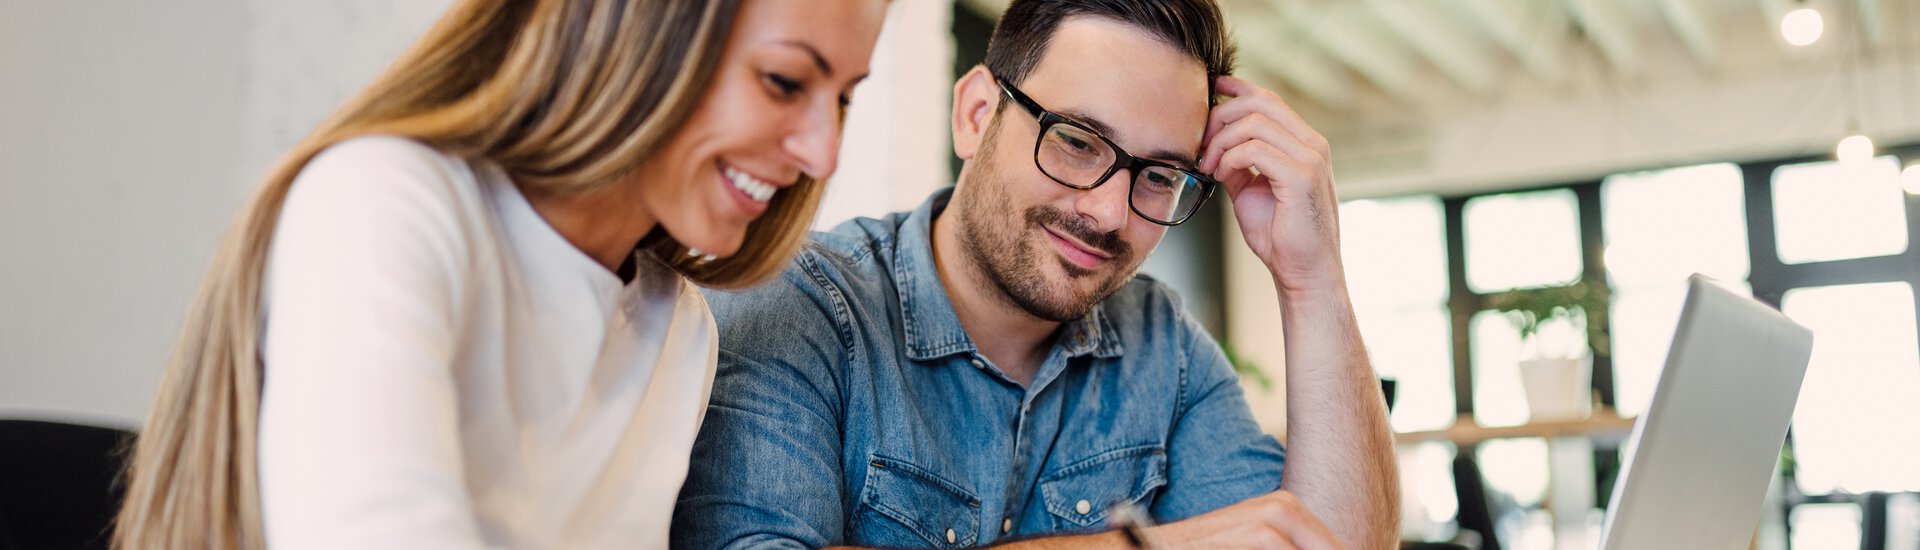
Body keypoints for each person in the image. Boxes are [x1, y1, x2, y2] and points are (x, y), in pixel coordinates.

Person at [110, 0, 884, 548]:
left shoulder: (676, 327)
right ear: (638, 30)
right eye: (785, 81)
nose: (824, 154)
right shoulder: (387, 201)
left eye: (844, 98)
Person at [672, 0, 1398, 549]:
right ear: (976, 114)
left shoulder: (1163, 347)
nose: (1112, 211)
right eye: (1078, 141)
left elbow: (1327, 543)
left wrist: (1312, 277)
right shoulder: (803, 306)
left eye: (1159, 175)